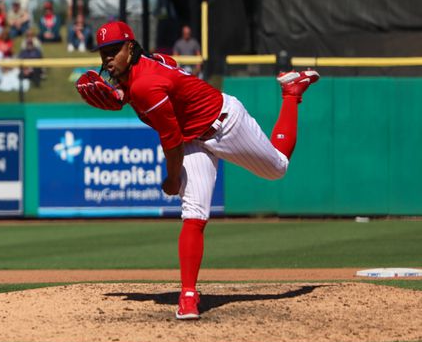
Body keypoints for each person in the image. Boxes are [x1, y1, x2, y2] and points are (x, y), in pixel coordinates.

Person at [76, 21, 320, 320]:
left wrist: (172, 178)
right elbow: (168, 66)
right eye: (103, 53)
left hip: (225, 124)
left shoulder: (144, 85)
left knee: (278, 168)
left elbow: (172, 141)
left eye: (114, 50)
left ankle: (291, 93)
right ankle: (188, 295)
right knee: (194, 214)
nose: (108, 59)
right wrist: (122, 96)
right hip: (194, 137)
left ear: (130, 47)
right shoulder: (144, 68)